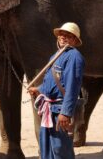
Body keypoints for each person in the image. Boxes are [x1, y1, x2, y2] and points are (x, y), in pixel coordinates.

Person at [28, 22, 85, 159]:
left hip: (59, 110)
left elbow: (72, 87)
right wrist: (38, 89)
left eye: (68, 36)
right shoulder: (54, 57)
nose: (63, 37)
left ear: (75, 40)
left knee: (61, 149)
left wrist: (65, 113)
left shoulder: (74, 57)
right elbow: (50, 83)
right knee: (46, 147)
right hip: (49, 109)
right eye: (61, 35)